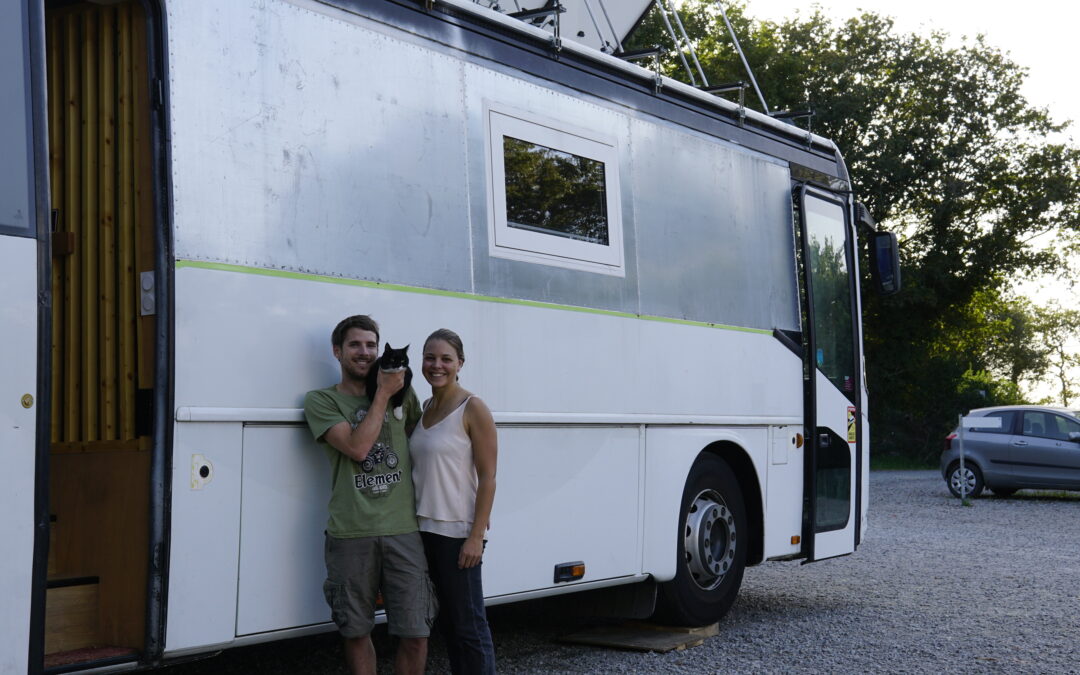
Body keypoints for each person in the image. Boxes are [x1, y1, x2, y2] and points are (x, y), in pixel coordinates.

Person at [303, 314, 437, 675]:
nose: (364, 352)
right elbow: (358, 449)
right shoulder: (320, 401)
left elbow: (422, 447)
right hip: (350, 533)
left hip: (403, 530)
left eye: (371, 345)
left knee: (416, 633)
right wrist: (382, 394)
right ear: (337, 351)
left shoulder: (404, 395)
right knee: (357, 631)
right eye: (355, 345)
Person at [410, 328, 498, 675]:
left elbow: (488, 477)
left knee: (470, 626)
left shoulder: (472, 407)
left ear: (460, 363)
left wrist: (476, 536)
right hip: (422, 530)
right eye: (430, 357)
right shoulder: (427, 406)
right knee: (448, 625)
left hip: (456, 534)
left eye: (446, 358)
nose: (437, 365)